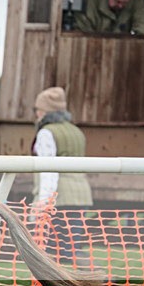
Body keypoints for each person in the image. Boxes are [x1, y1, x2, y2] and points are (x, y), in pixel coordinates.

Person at [31, 87, 93, 265]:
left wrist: (43, 204)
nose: (36, 113)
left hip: (59, 199)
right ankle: (97, 278)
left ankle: (98, 277)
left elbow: (48, 170)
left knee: (54, 255)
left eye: (38, 109)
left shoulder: (46, 133)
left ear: (44, 111)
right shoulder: (76, 131)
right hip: (81, 196)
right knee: (72, 250)